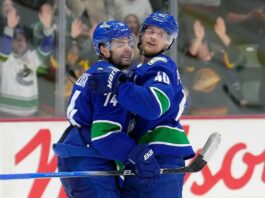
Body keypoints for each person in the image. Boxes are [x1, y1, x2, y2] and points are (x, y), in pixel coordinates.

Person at [88, 12, 195, 198]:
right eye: (150, 31)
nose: (154, 36)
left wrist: (117, 85)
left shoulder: (161, 65)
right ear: (141, 35)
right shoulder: (138, 70)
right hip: (141, 159)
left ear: (169, 44)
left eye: (162, 35)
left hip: (160, 157)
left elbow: (154, 105)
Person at [53, 20, 160, 198]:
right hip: (88, 159)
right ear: (103, 49)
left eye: (128, 42)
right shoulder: (109, 79)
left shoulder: (98, 72)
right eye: (119, 44)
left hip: (82, 155)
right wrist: (138, 155)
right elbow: (105, 136)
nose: (127, 48)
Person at [0, 4, 54, 117]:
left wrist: (47, 27)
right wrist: (9, 29)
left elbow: (47, 47)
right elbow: (4, 48)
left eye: (23, 39)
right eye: (16, 39)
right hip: (7, 115)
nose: (20, 41)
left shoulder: (31, 57)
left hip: (31, 115)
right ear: (10, 41)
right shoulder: (5, 59)